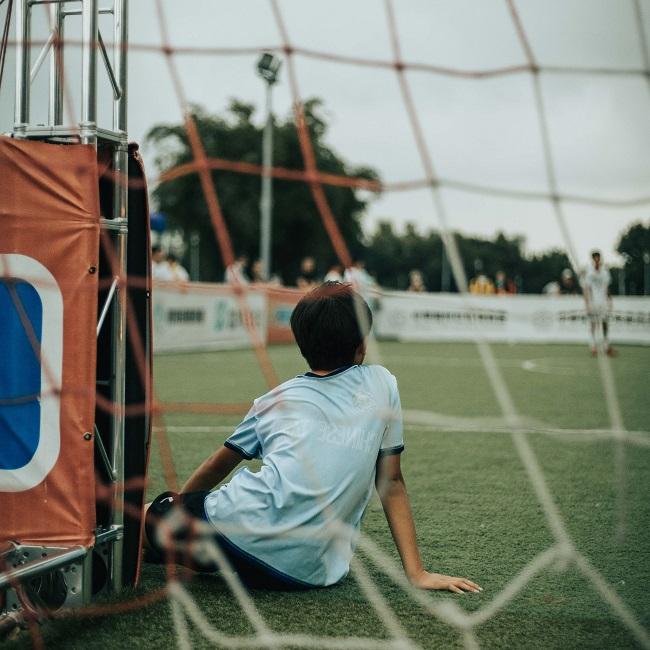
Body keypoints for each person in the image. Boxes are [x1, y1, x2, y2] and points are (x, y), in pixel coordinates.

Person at [144, 282, 480, 594]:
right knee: (192, 544)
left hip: (242, 531)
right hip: (314, 572)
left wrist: (176, 507)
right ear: (361, 347)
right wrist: (417, 573)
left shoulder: (274, 400)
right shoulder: (383, 384)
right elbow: (391, 482)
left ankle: (150, 541)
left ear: (301, 344)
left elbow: (216, 465)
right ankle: (168, 546)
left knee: (146, 519)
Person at [583, 250, 615, 357]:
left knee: (605, 323)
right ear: (592, 259)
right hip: (593, 302)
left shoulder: (605, 272)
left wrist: (610, 301)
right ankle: (593, 346)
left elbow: (607, 288)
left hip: (603, 302)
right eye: (595, 258)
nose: (597, 260)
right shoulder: (589, 272)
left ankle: (606, 345)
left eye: (598, 258)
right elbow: (587, 289)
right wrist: (587, 303)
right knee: (593, 324)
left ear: (600, 259)